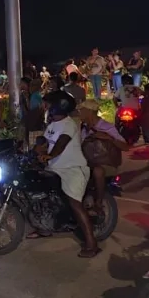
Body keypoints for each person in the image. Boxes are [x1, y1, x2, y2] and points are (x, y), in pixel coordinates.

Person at [36, 91, 99, 258]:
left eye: (48, 104)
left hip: (72, 169)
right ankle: (44, 227)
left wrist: (49, 155)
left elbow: (61, 144)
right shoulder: (51, 125)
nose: (45, 106)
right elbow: (43, 142)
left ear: (58, 106)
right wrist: (36, 149)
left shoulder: (69, 124)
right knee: (41, 195)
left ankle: (92, 244)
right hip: (54, 168)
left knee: (75, 204)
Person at [77, 99, 128, 214]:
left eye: (82, 110)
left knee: (98, 171)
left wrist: (109, 137)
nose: (79, 113)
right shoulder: (83, 128)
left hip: (106, 163)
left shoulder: (106, 126)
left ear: (90, 112)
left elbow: (125, 147)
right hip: (88, 162)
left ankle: (99, 202)